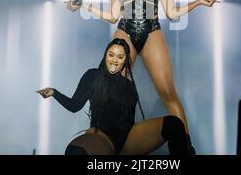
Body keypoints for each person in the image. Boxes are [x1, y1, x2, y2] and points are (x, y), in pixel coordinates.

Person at [65, 0, 220, 152]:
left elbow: (173, 14)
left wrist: (200, 2)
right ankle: (108, 137)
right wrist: (83, 6)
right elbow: (112, 16)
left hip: (151, 32)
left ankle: (186, 146)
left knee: (167, 92)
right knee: (111, 87)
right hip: (125, 30)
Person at [37, 38, 189, 155]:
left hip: (127, 139)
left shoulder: (129, 86)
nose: (114, 60)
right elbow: (74, 106)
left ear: (126, 60)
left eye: (120, 57)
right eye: (111, 55)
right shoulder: (92, 76)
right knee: (77, 152)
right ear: (105, 56)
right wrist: (54, 93)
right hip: (102, 136)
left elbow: (130, 121)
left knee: (174, 124)